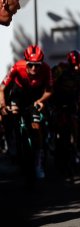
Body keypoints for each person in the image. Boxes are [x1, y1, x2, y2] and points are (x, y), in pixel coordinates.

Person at [0, 45, 52, 178]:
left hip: (35, 97)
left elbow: (49, 91)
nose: (34, 68)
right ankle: (12, 143)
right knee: (11, 115)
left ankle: (38, 162)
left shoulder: (46, 69)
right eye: (31, 65)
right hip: (19, 94)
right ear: (26, 62)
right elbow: (2, 88)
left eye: (37, 65)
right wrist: (3, 106)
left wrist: (41, 101)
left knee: (36, 127)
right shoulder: (18, 66)